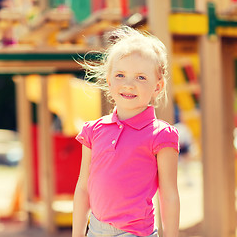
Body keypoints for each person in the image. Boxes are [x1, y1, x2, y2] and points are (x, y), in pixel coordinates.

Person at [72, 26, 180, 237]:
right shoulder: (93, 130)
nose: (129, 84)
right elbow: (83, 188)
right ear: (109, 81)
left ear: (157, 87)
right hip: (94, 230)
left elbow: (168, 195)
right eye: (120, 75)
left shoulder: (161, 135)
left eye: (141, 77)